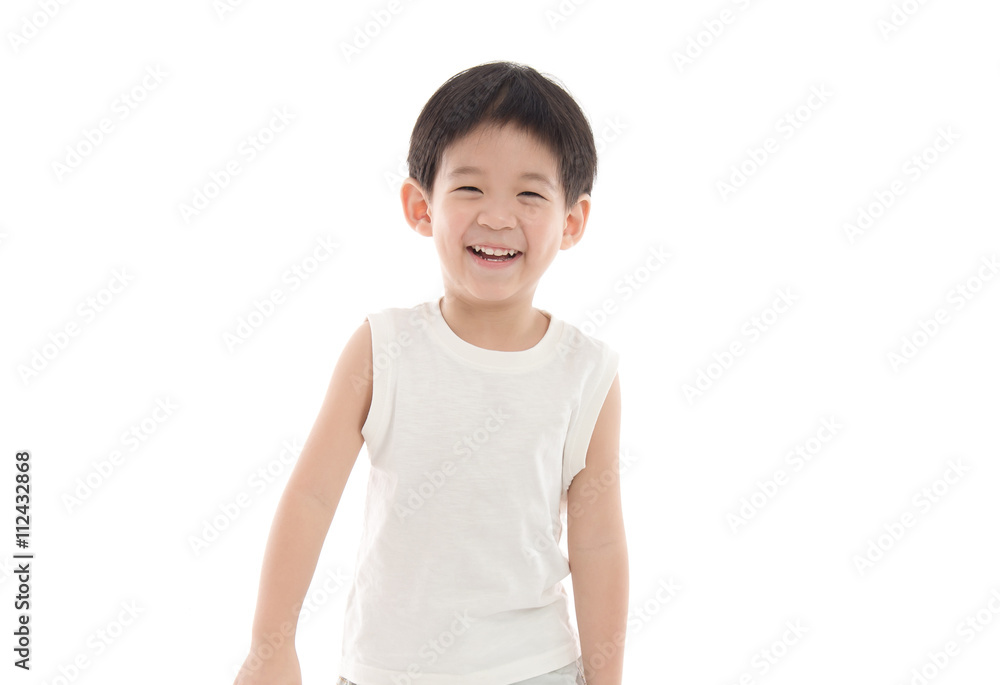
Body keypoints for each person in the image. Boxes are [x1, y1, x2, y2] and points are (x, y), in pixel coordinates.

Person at [233, 60, 627, 685]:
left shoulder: (588, 373)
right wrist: (268, 645)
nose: (498, 217)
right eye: (470, 188)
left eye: (529, 194)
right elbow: (310, 498)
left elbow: (599, 542)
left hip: (537, 667)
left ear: (572, 221)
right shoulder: (380, 348)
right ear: (421, 206)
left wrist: (607, 678)